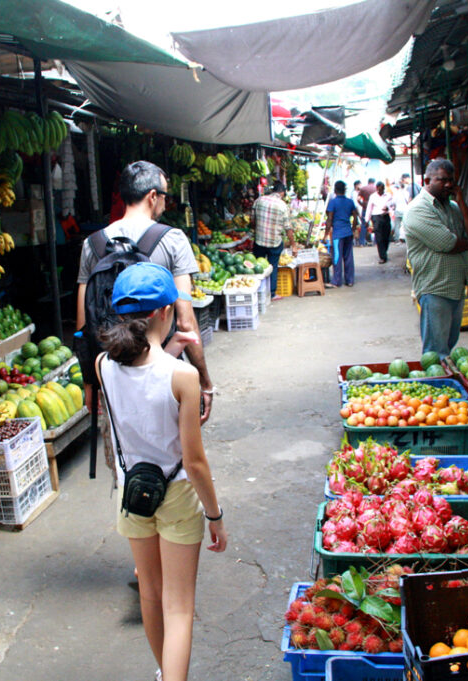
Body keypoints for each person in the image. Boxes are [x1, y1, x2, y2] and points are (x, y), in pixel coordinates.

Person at [95, 262, 227, 681]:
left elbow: (138, 381)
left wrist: (165, 354)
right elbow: (195, 461)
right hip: (178, 498)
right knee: (179, 605)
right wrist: (215, 516)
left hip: (132, 495)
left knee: (151, 596)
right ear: (164, 313)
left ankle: (163, 671)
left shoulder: (102, 365)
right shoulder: (184, 377)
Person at [76, 161, 214, 425]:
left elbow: (84, 322)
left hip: (113, 371)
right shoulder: (173, 239)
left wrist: (90, 381)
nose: (165, 202)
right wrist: (204, 382)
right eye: (164, 196)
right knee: (171, 454)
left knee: (123, 456)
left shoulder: (91, 245)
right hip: (163, 369)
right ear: (153, 197)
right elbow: (185, 321)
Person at [403, 159, 468, 358]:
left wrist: (462, 201)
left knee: (448, 346)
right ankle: (434, 383)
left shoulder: (454, 207)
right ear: (427, 180)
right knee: (436, 351)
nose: (448, 184)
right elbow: (447, 244)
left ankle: (444, 383)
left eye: (451, 180)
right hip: (434, 288)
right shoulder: (417, 210)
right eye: (442, 180)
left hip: (455, 287)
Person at [252, 181, 293, 300]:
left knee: (257, 265)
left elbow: (252, 221)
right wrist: (293, 244)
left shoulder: (258, 201)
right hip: (274, 242)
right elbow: (288, 228)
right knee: (272, 266)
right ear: (282, 193)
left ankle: (257, 292)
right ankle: (272, 293)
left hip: (259, 241)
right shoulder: (282, 205)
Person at [323, 181, 360, 287]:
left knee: (337, 257)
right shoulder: (350, 202)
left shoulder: (333, 202)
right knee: (348, 257)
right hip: (348, 232)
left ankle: (337, 281)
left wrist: (326, 234)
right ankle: (350, 280)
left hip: (338, 234)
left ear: (335, 190)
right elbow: (355, 218)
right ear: (344, 190)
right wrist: (353, 229)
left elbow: (329, 219)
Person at [365, 182, 396, 264]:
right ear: (377, 188)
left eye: (382, 188)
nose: (381, 190)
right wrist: (367, 220)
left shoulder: (388, 195)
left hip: (385, 217)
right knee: (379, 237)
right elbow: (369, 208)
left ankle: (384, 251)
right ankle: (382, 256)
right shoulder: (373, 196)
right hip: (376, 217)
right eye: (379, 188)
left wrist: (388, 207)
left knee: (386, 236)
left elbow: (393, 205)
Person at [357, 177, 378, 246]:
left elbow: (358, 199)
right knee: (376, 225)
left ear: (368, 182)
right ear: (374, 182)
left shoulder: (363, 188)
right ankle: (376, 242)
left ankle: (361, 243)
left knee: (364, 225)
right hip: (374, 208)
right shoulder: (376, 188)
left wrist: (362, 204)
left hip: (365, 208)